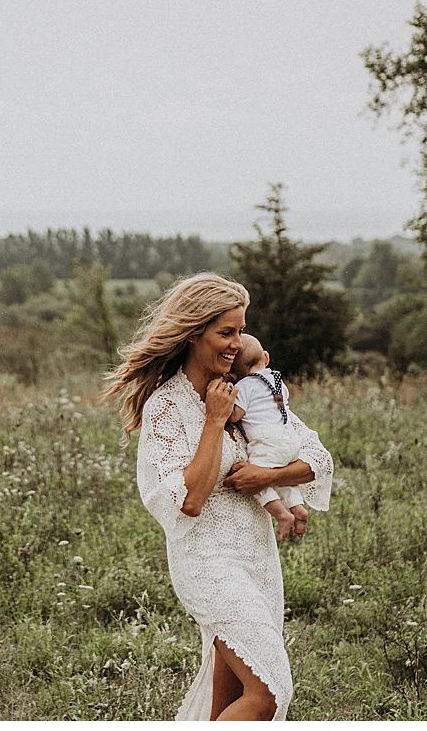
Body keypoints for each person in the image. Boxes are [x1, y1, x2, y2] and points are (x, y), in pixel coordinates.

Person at [105, 273, 333, 721]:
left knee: (227, 703)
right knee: (269, 693)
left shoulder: (246, 389)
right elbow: (189, 500)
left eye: (240, 331)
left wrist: (266, 475)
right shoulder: (167, 407)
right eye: (226, 332)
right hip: (208, 564)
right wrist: (214, 420)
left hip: (258, 560)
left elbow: (316, 458)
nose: (237, 343)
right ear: (194, 333)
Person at [227, 335, 313, 541]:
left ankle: (282, 515)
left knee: (256, 477)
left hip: (268, 440)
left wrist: (227, 401)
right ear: (266, 357)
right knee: (279, 471)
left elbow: (236, 415)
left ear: (233, 374)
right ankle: (297, 507)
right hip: (290, 439)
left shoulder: (245, 386)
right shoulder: (278, 381)